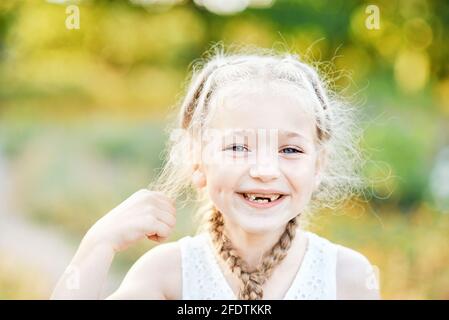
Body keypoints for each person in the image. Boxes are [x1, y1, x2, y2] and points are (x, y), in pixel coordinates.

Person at [51, 45, 380, 300]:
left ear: (318, 166)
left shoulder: (345, 277)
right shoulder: (167, 275)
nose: (265, 170)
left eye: (289, 150)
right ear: (197, 160)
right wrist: (97, 245)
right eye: (237, 147)